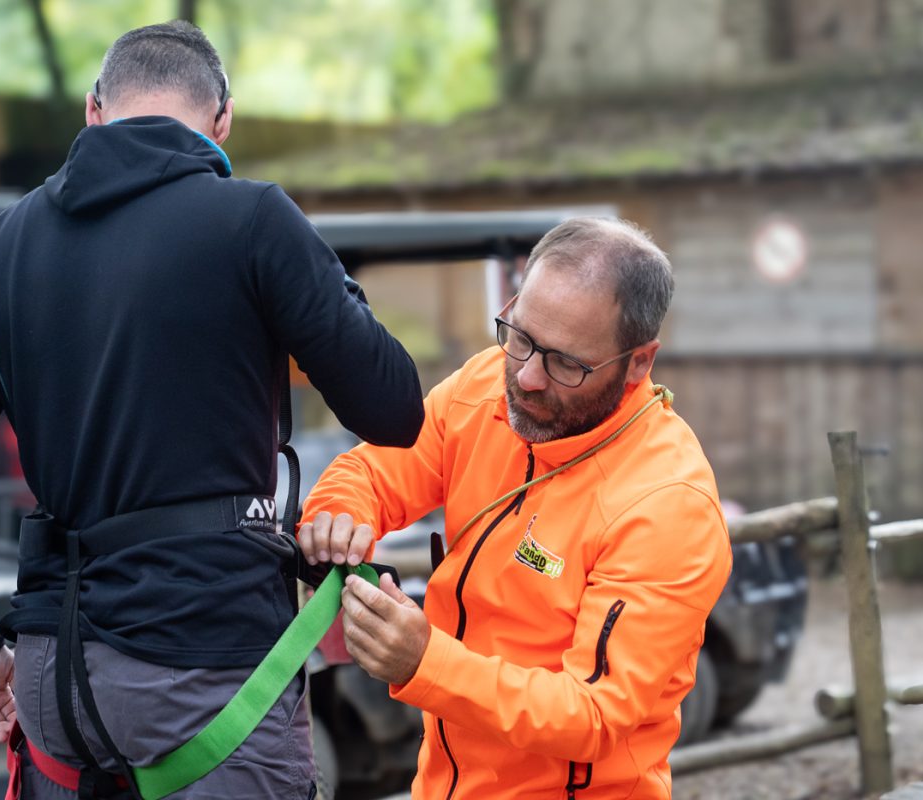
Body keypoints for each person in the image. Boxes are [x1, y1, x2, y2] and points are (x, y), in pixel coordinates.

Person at [0, 20, 424, 799]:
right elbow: (395, 409)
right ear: (223, 120)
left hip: (52, 683)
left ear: (94, 111)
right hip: (206, 675)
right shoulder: (255, 220)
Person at [299, 217, 733, 799]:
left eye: (566, 363)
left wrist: (424, 662)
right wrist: (339, 511)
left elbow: (594, 714)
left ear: (638, 362)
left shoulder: (666, 506)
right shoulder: (488, 381)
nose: (526, 377)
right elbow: (378, 469)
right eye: (520, 336)